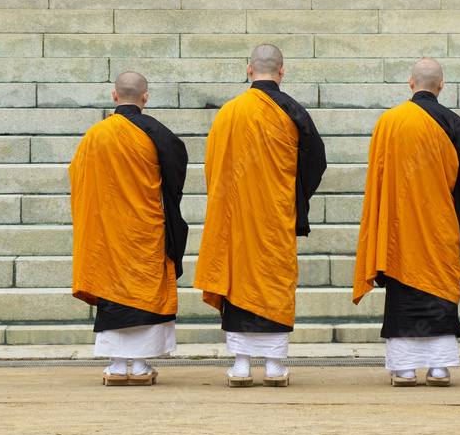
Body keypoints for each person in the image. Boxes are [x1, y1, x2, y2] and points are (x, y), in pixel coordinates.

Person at [194, 44, 326, 388]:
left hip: (236, 220)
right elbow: (316, 163)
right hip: (275, 219)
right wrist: (292, 198)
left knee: (240, 281)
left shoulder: (228, 112)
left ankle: (240, 365)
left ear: (249, 69)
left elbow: (213, 167)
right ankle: (273, 366)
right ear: (282, 71)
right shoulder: (293, 111)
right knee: (274, 283)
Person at [353, 58, 460, 387]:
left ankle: (405, 368)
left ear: (411, 83)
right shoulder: (454, 123)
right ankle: (439, 368)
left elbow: (377, 182)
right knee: (439, 294)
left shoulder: (390, 121)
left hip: (398, 230)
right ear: (441, 85)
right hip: (440, 228)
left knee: (403, 296)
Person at [70, 72, 189, 386]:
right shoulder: (157, 133)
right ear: (145, 97)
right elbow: (177, 170)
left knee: (114, 295)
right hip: (145, 230)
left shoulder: (95, 135)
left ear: (114, 96)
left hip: (108, 234)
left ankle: (118, 366)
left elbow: (78, 177)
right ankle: (139, 366)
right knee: (144, 293)